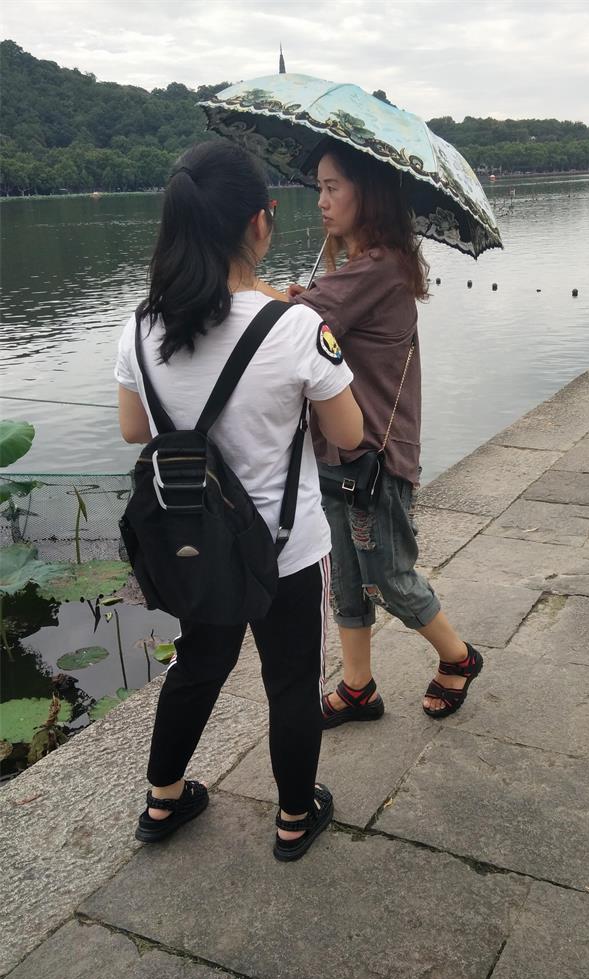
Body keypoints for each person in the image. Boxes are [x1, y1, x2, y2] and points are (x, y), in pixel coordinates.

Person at [115, 141, 363, 861]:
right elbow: (348, 434)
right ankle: (293, 818)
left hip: (196, 542)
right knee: (291, 681)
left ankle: (163, 800)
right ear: (260, 221)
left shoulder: (139, 326)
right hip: (286, 549)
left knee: (197, 664)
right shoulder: (295, 327)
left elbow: (134, 429)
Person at [286, 139, 484, 727]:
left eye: (332, 188)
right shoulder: (355, 269)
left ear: (367, 195)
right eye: (318, 188)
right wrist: (303, 296)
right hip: (336, 450)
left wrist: (253, 288)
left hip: (376, 457)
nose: (321, 201)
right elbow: (312, 317)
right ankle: (358, 687)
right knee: (346, 579)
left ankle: (459, 657)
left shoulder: (381, 268)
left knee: (390, 577)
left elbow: (298, 324)